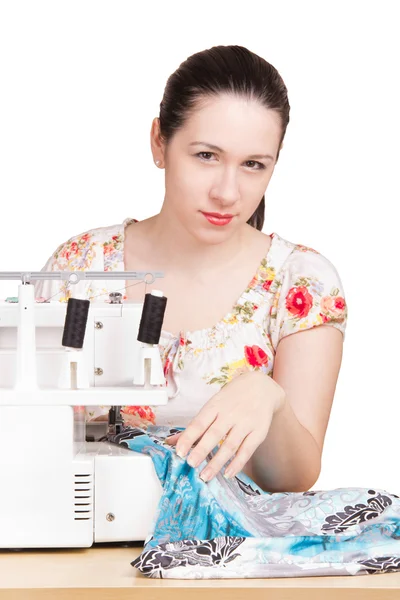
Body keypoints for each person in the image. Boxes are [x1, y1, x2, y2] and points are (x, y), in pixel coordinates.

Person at [35, 45, 348, 493]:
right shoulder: (81, 267)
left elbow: (293, 481)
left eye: (253, 165)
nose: (227, 192)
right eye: (206, 156)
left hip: (229, 555)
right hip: (82, 541)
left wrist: (270, 399)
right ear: (159, 142)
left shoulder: (301, 284)